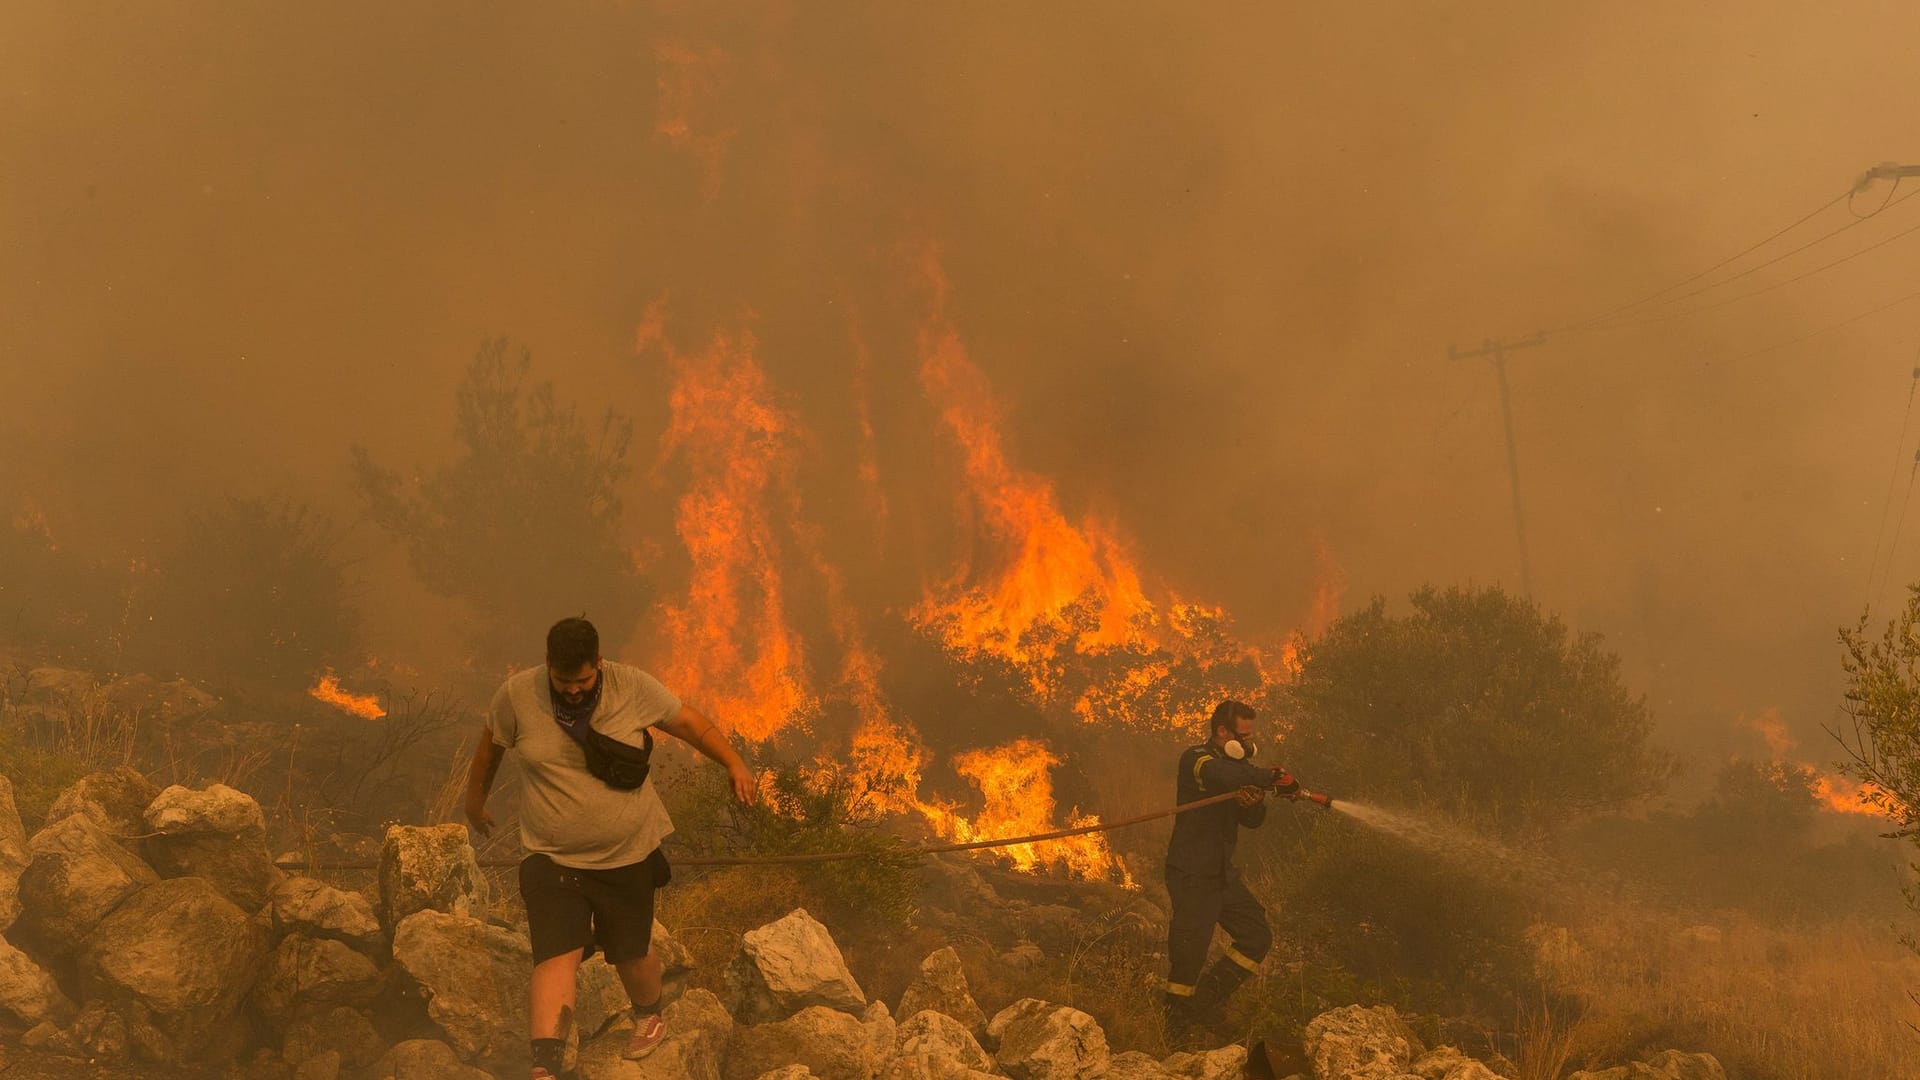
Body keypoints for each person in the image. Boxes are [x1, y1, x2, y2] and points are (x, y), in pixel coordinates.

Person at [465, 617, 755, 1080]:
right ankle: (544, 1065)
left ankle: (649, 1013)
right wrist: (473, 801)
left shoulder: (631, 687)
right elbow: (491, 746)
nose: (574, 691)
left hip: (627, 855)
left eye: (582, 681)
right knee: (556, 955)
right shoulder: (518, 695)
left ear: (599, 663)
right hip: (552, 856)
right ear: (547, 666)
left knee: (631, 954)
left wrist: (734, 762)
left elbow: (689, 724)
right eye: (563, 681)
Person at [1162, 698, 1296, 1040]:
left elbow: (1252, 820)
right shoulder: (1197, 759)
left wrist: (1254, 802)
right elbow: (1223, 774)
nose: (1249, 742)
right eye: (1243, 734)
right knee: (1189, 952)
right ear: (1223, 731)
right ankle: (1173, 1028)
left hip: (1221, 874)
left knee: (1256, 936)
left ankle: (1203, 1003)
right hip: (1192, 873)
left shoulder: (1237, 773)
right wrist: (1272, 777)